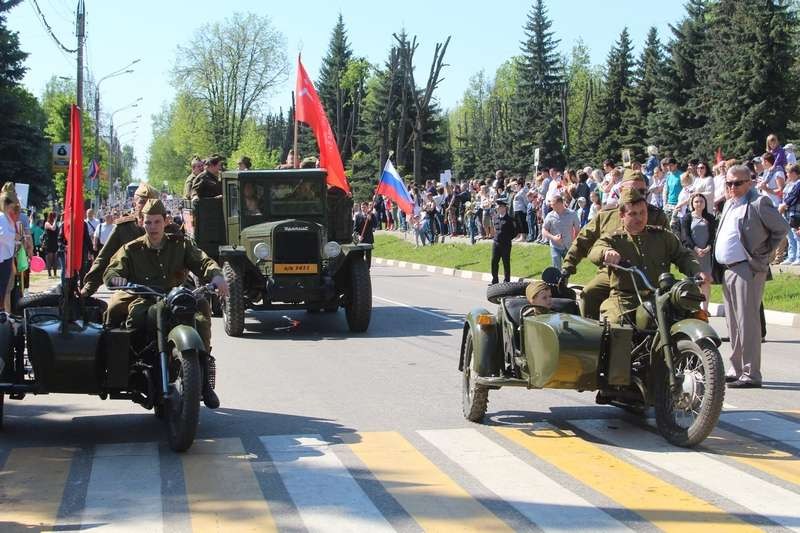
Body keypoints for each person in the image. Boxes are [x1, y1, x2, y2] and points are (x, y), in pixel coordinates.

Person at [104, 199, 229, 409]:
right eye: (148, 223)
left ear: (166, 221)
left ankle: (204, 379)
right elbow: (112, 270)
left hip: (176, 297)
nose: (152, 227)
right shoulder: (131, 249)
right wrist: (116, 277)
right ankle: (133, 369)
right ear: (141, 223)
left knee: (201, 314)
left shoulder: (180, 244)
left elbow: (203, 261)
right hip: (146, 298)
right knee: (134, 318)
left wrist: (216, 276)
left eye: (157, 222)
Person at [714, 165, 788, 388]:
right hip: (727, 269)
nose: (732, 187)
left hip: (747, 269)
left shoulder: (758, 203)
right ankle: (737, 368)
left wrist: (764, 254)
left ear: (750, 182)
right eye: (729, 183)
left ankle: (751, 373)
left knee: (748, 323)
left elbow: (781, 229)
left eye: (737, 183)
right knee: (733, 323)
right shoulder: (729, 204)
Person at [562, 169, 669, 319]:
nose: (639, 195)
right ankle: (594, 336)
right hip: (612, 272)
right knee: (589, 294)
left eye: (643, 191)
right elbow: (582, 241)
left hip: (647, 271)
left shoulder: (656, 216)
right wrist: (567, 267)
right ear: (621, 190)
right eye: (634, 190)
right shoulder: (606, 215)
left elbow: (671, 246)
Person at [590, 188, 703, 325]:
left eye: (643, 212)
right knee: (617, 327)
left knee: (690, 317)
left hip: (660, 298)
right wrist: (606, 252)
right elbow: (595, 250)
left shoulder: (663, 237)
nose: (639, 218)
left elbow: (683, 255)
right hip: (625, 300)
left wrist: (697, 271)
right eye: (633, 214)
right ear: (622, 215)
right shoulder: (614, 239)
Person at [81, 183, 160, 326]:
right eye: (142, 202)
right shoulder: (124, 228)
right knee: (113, 310)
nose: (146, 206)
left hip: (165, 289)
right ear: (134, 203)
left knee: (193, 311)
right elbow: (104, 259)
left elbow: (187, 257)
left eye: (151, 202)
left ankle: (196, 349)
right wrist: (89, 287)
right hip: (133, 289)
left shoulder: (169, 228)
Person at [681, 193, 717, 311]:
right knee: (694, 280)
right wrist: (696, 248)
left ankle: (705, 309)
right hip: (693, 253)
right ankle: (693, 308)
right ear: (692, 203)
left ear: (705, 203)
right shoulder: (687, 218)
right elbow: (686, 236)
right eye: (696, 201)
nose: (699, 203)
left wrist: (708, 247)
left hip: (706, 254)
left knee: (706, 280)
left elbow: (713, 235)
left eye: (701, 201)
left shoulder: (710, 218)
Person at [541, 194, 580, 270]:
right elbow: (544, 230)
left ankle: (564, 282)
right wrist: (553, 238)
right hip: (555, 246)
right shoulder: (550, 216)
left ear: (559, 204)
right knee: (556, 269)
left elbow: (577, 230)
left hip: (568, 246)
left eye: (552, 204)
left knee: (567, 269)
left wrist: (575, 243)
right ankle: (556, 281)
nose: (551, 206)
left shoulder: (572, 214)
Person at [0, 186, 20, 312]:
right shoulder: (2, 217)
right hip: (2, 257)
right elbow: (1, 235)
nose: (14, 208)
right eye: (13, 205)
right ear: (7, 204)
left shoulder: (6, 217)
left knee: (4, 286)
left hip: (6, 256)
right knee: (2, 287)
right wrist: (14, 236)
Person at [490, 198, 515, 285]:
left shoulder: (509, 219)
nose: (498, 208)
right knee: (494, 261)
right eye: (498, 207)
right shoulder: (495, 217)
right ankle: (495, 280)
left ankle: (506, 281)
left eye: (500, 207)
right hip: (496, 243)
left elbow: (514, 232)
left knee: (506, 262)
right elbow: (494, 229)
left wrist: (507, 238)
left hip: (506, 244)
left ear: (504, 208)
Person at [778, 163, 800, 265]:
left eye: (788, 172)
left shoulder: (798, 183)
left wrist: (785, 205)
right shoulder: (789, 184)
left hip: (795, 213)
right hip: (786, 213)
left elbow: (793, 196)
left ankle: (798, 257)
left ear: (795, 173)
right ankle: (791, 256)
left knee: (797, 235)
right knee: (790, 236)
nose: (786, 174)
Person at [353, 201, 377, 267]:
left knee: (368, 255)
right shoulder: (358, 216)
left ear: (368, 207)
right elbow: (355, 229)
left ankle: (367, 268)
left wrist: (370, 219)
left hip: (368, 239)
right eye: (362, 207)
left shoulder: (372, 215)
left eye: (364, 207)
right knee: (360, 255)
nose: (363, 209)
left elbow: (375, 225)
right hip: (360, 239)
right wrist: (358, 236)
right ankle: (361, 268)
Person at [44, 212, 58, 278]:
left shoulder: (55, 223)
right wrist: (55, 220)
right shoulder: (47, 223)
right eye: (54, 216)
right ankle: (49, 274)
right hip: (49, 243)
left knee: (55, 259)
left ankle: (55, 274)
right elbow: (53, 228)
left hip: (55, 243)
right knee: (49, 259)